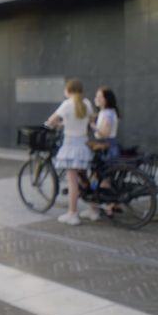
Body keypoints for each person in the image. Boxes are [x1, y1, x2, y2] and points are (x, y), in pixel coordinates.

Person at [45, 79, 95, 226]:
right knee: (85, 179)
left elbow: (51, 120)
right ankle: (94, 209)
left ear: (69, 90)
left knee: (72, 181)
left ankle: (72, 213)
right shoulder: (86, 103)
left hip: (70, 146)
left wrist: (49, 124)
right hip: (84, 145)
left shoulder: (67, 104)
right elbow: (90, 120)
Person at [82, 86, 121, 221]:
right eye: (96, 96)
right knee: (104, 179)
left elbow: (104, 132)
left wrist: (92, 124)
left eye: (99, 97)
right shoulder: (108, 112)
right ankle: (108, 204)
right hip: (110, 148)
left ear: (106, 99)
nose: (96, 99)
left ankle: (95, 209)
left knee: (96, 178)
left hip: (105, 149)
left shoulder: (108, 113)